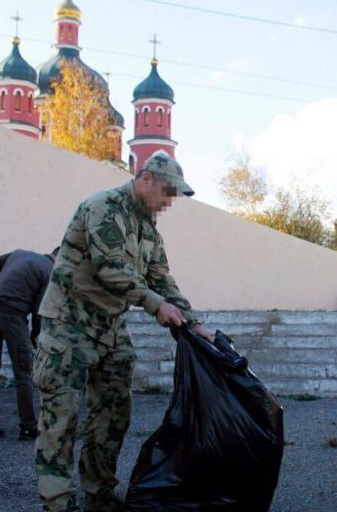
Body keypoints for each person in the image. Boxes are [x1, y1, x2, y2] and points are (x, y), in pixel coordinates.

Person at [34, 150, 213, 512]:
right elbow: (110, 269)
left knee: (114, 414)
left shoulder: (147, 227)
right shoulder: (105, 207)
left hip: (110, 328)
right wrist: (154, 305)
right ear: (144, 179)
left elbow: (161, 278)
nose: (168, 202)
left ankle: (98, 494)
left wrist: (193, 323)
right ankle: (57, 503)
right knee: (61, 418)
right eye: (166, 192)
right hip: (69, 326)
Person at [0, 247, 57, 441]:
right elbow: (40, 310)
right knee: (24, 373)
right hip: (13, 316)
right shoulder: (50, 272)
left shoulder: (18, 254)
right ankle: (28, 426)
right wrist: (35, 336)